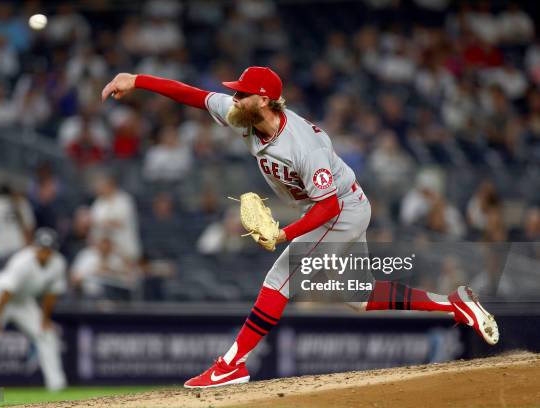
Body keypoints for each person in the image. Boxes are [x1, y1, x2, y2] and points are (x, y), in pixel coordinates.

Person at [101, 67, 499, 388]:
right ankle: (454, 303)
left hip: (339, 209)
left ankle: (230, 364)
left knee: (280, 277)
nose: (234, 98)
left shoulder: (303, 145)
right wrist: (136, 81)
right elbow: (192, 95)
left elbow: (327, 206)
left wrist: (283, 235)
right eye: (235, 93)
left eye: (242, 93)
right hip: (333, 206)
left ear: (265, 99)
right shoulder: (242, 115)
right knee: (358, 296)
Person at [0, 228, 67, 390]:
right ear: (35, 246)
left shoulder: (58, 263)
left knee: (46, 334)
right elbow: (6, 293)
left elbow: (51, 295)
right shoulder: (23, 261)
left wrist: (45, 320)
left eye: (49, 250)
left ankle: (57, 384)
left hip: (22, 301)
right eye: (42, 249)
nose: (45, 253)